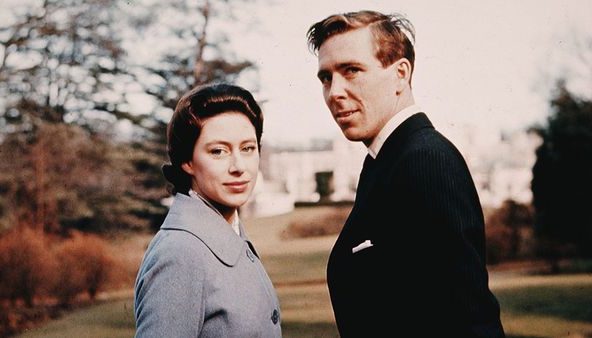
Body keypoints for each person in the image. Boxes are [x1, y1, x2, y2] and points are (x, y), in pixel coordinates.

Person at [307, 10, 504, 337]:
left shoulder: (423, 160)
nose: (334, 92)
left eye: (351, 70)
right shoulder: (386, 160)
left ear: (401, 74)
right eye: (326, 77)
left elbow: (469, 320)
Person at [133, 83, 282, 337]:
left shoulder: (228, 233)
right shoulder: (179, 253)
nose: (238, 166)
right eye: (218, 151)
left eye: (248, 148)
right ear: (187, 161)